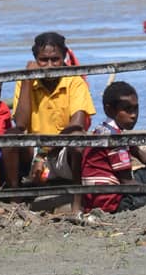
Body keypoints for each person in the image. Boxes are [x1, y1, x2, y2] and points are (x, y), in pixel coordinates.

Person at [7, 32, 95, 184]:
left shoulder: (75, 82)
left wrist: (44, 153)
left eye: (55, 60)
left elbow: (77, 125)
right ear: (35, 60)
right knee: (11, 135)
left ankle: (77, 201)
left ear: (64, 57)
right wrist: (27, 80)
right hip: (34, 152)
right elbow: (21, 124)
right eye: (43, 60)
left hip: (62, 150)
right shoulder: (26, 83)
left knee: (77, 139)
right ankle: (15, 195)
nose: (49, 66)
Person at [80, 82, 146, 214]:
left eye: (135, 109)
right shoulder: (115, 139)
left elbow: (140, 154)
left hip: (98, 196)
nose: (133, 115)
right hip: (110, 201)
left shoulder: (104, 129)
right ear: (110, 110)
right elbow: (127, 183)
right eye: (127, 109)